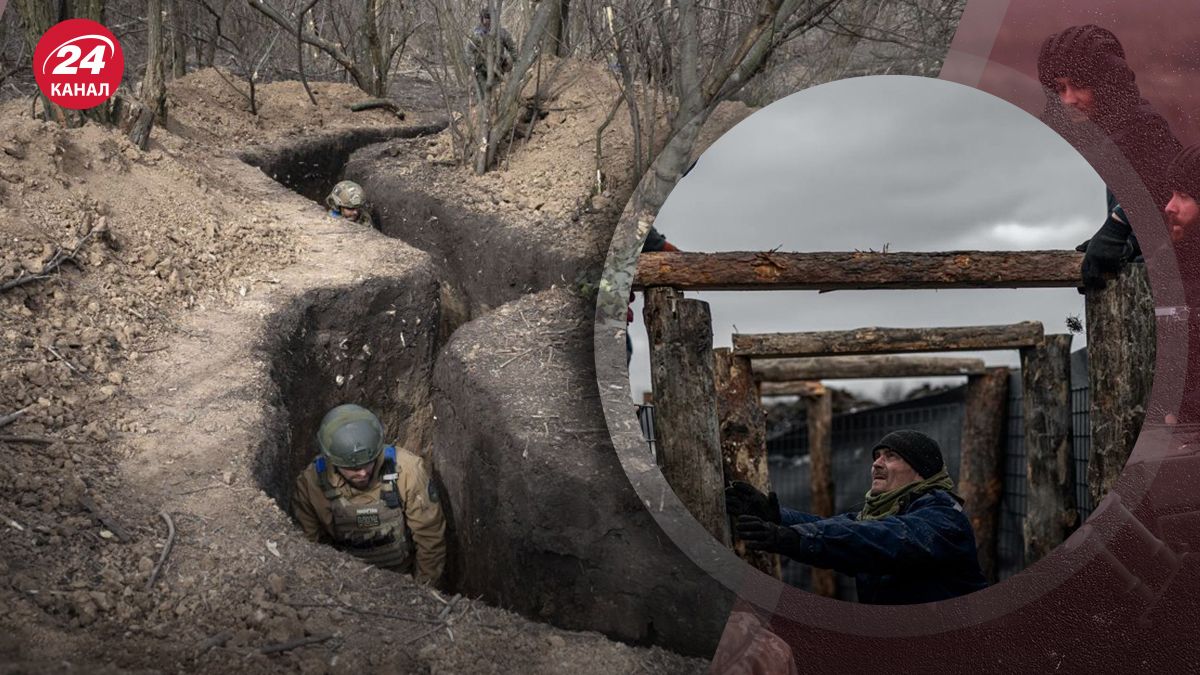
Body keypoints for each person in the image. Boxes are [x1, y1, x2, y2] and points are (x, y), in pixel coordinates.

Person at [728, 430, 987, 604]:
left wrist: (793, 538)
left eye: (891, 456)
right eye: (876, 457)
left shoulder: (943, 518)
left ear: (921, 471)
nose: (876, 463)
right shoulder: (882, 513)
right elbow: (840, 527)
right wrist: (777, 518)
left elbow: (880, 539)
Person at [1036, 25, 1182, 290]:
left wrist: (1117, 228)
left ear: (1107, 83)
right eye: (1060, 88)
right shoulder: (1112, 135)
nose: (1068, 99)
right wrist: (1124, 243)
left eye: (1079, 85)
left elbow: (1178, 198)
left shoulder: (1143, 128)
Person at [293, 404, 446, 584]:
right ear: (332, 461)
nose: (363, 473)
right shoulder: (312, 484)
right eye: (353, 468)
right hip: (345, 583)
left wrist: (423, 589)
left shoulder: (407, 471)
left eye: (368, 463)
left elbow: (430, 537)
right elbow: (308, 546)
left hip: (402, 580)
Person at [466, 7, 517, 102]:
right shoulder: (477, 34)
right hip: (481, 71)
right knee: (483, 98)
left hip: (497, 71)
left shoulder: (501, 33)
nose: (486, 21)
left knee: (497, 97)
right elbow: (469, 50)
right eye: (484, 18)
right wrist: (472, 66)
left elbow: (512, 48)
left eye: (488, 18)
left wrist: (516, 62)